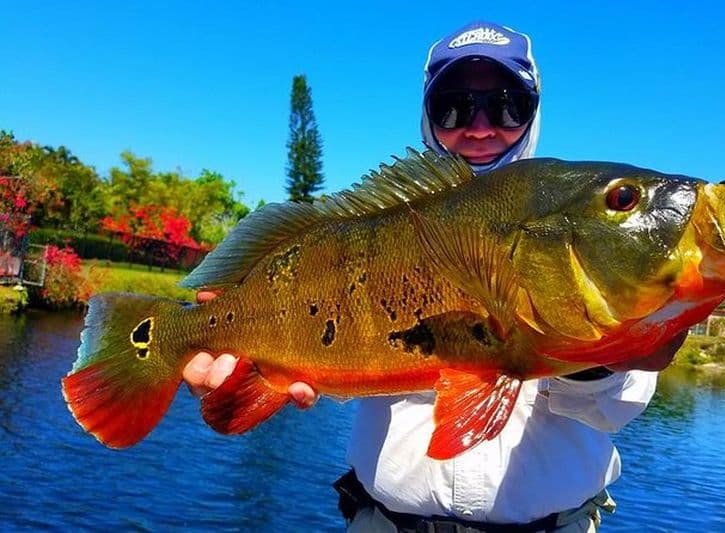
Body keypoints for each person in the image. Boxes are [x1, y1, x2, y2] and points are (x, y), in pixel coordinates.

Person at [183, 21, 686, 532]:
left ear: (535, 112)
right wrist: (231, 354)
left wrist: (591, 351)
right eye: (454, 106)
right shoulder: (380, 224)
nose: (481, 127)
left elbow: (611, 412)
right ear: (427, 114)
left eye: (509, 105)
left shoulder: (580, 226)